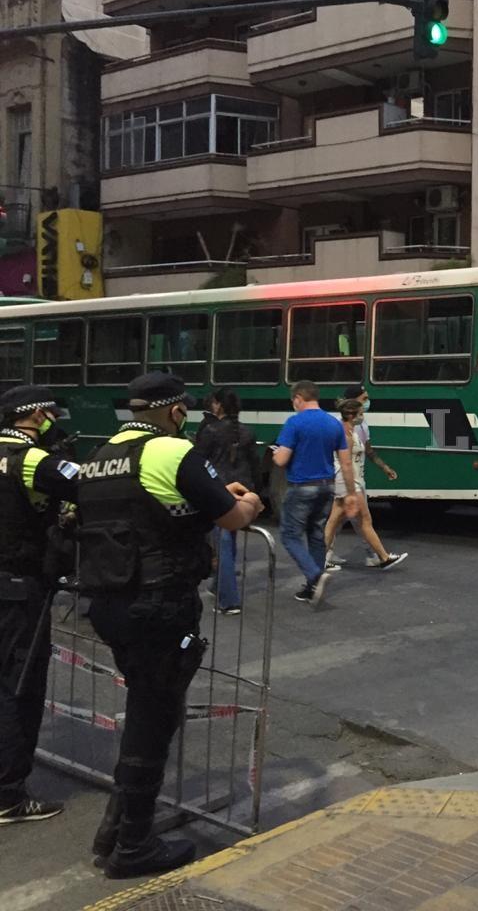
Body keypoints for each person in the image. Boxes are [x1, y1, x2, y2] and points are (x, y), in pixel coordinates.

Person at [78, 373, 262, 877]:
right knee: (152, 719)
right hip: (158, 605)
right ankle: (133, 845)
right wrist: (246, 502)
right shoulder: (171, 451)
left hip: (108, 604)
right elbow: (232, 517)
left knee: (146, 709)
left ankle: (117, 828)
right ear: (177, 411)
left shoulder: (99, 455)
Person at [0, 386, 78, 826]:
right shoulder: (31, 459)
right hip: (18, 587)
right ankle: (9, 795)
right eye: (50, 413)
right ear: (36, 416)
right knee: (19, 689)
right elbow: (87, 485)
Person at [273, 381, 358, 606]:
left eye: (294, 401)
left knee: (290, 535)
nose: (294, 405)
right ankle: (312, 589)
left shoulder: (294, 422)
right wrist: (351, 493)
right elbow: (346, 463)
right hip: (328, 486)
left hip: (302, 486)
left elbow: (281, 459)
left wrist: (275, 453)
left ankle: (315, 575)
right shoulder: (333, 423)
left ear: (299, 398)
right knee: (316, 534)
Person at [193, 388, 259, 615]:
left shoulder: (210, 431)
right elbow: (255, 465)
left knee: (222, 545)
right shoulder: (247, 432)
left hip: (219, 491)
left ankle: (229, 601)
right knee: (229, 540)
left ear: (217, 405)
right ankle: (218, 585)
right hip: (244, 491)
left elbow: (198, 462)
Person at [324, 399, 407, 570]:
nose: (363, 417)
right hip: (348, 482)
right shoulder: (345, 435)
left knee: (336, 521)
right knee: (362, 520)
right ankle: (382, 557)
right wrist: (351, 491)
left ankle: (379, 557)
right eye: (360, 414)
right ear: (351, 415)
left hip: (352, 482)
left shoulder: (351, 431)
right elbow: (345, 464)